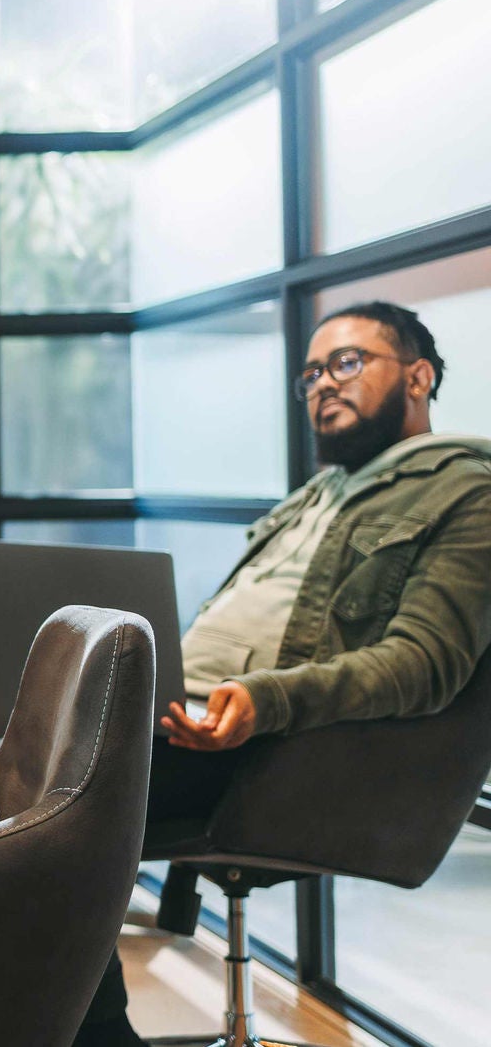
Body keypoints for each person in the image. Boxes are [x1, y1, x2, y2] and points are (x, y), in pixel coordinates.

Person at [76, 302, 491, 1046]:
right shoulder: (312, 496)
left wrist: (264, 702)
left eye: (347, 362)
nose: (321, 384)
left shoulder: (469, 491)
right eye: (309, 373)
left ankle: (97, 1033)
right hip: (181, 716)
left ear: (419, 377)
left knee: (47, 804)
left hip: (275, 752)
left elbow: (424, 664)